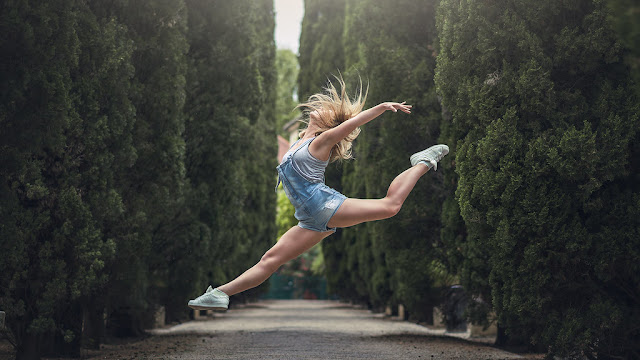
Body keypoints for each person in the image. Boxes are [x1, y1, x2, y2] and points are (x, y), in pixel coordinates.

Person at [188, 78, 448, 310]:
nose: (320, 108)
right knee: (270, 259)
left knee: (390, 206)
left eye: (326, 112)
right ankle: (221, 294)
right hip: (309, 218)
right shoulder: (299, 141)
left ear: (326, 125)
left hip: (323, 204)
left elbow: (354, 122)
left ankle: (423, 162)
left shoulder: (321, 142)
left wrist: (381, 107)